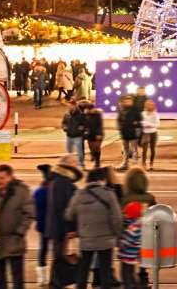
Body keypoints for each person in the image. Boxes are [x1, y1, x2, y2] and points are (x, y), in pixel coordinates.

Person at [64, 167, 124, 289]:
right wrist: (118, 235)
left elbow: (69, 215)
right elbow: (117, 218)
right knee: (105, 272)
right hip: (105, 241)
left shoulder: (79, 195)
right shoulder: (109, 194)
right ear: (100, 180)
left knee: (83, 271)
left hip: (86, 240)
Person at [0, 166, 32, 289]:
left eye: (2, 178)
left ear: (10, 177)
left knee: (17, 278)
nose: (0, 181)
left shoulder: (21, 191)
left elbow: (29, 213)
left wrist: (20, 232)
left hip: (14, 241)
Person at [45, 154, 84, 289]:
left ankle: (56, 283)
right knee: (60, 259)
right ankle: (56, 284)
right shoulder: (63, 183)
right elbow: (65, 208)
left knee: (59, 257)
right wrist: (70, 229)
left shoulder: (57, 181)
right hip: (61, 229)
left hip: (57, 228)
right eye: (74, 163)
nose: (76, 165)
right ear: (68, 166)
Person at [116, 95, 142, 171]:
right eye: (126, 101)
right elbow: (119, 120)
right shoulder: (122, 109)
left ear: (132, 101)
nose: (128, 102)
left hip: (133, 133)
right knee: (125, 150)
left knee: (134, 149)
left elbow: (140, 120)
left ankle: (135, 165)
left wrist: (136, 125)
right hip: (124, 133)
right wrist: (120, 127)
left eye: (129, 100)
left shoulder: (135, 110)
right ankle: (125, 164)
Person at [62, 100, 87, 168]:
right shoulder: (67, 114)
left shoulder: (81, 114)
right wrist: (64, 127)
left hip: (77, 136)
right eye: (68, 105)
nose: (69, 106)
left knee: (80, 152)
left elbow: (85, 124)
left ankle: (81, 164)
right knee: (69, 152)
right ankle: (70, 165)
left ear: (74, 105)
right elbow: (64, 122)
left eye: (71, 105)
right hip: (69, 135)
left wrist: (81, 129)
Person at [140, 100, 160, 169]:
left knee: (152, 149)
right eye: (148, 105)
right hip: (145, 133)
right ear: (145, 106)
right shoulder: (142, 114)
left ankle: (151, 164)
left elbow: (157, 124)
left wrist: (147, 124)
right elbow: (141, 123)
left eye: (151, 105)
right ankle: (143, 163)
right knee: (144, 150)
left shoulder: (155, 114)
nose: (150, 106)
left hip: (153, 133)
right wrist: (149, 124)